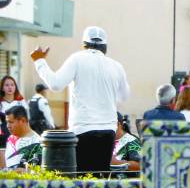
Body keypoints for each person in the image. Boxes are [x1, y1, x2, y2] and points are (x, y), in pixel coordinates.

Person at [31, 26, 130, 174]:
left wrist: (39, 62)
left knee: (82, 177)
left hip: (82, 129)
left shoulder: (77, 59)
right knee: (100, 176)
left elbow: (56, 84)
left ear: (84, 44)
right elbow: (124, 96)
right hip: (108, 130)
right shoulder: (116, 66)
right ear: (105, 46)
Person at [3, 105, 42, 171]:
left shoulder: (37, 142)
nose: (8, 126)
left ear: (23, 121)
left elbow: (35, 171)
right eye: (7, 122)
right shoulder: (10, 138)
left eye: (11, 122)